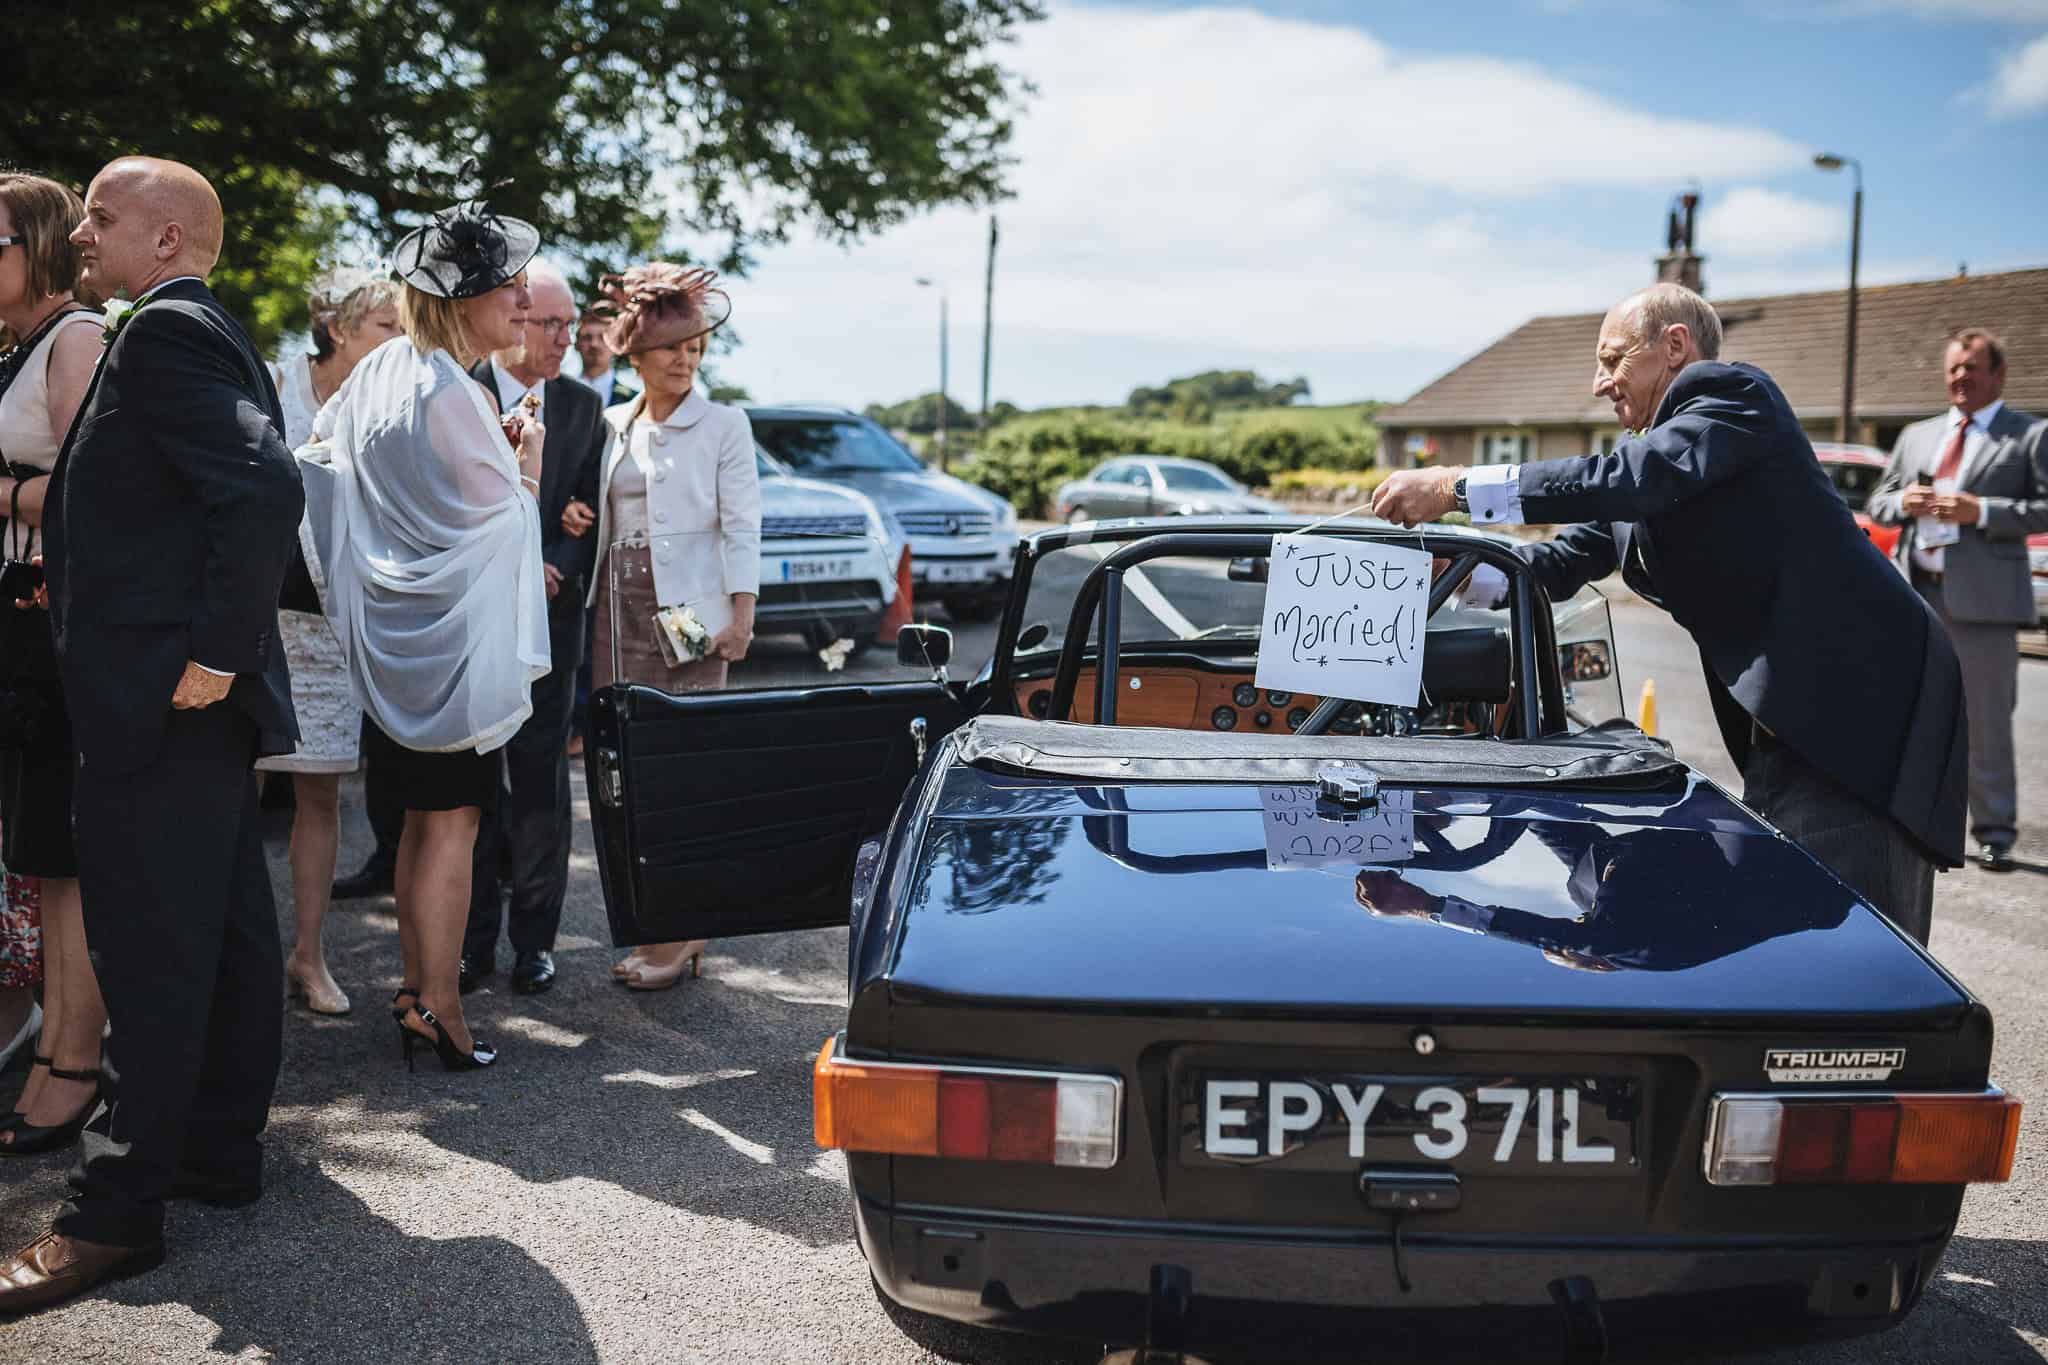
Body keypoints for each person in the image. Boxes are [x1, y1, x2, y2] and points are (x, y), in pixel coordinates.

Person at [1371, 282, 1966, 944]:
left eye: (1613, 359)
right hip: (1785, 724)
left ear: (1674, 347)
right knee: (1772, 915)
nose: (1599, 384)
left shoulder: (1732, 398)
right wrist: (1448, 572)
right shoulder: (1657, 461)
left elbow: (1632, 477)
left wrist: (1454, 487)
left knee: (1848, 935)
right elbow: (1557, 565)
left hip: (1862, 706)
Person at [0, 157, 306, 1315]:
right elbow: (173, 504)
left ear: (167, 240)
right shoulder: (201, 325)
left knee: (148, 951)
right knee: (224, 934)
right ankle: (217, 1157)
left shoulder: (164, 334)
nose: (82, 232)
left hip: (162, 703)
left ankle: (113, 1215)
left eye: (103, 216)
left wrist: (213, 655)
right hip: (179, 701)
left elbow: (265, 490)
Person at [298, 191, 548, 1073]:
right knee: (453, 827)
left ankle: (414, 985)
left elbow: (325, 464)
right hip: (448, 654)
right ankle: (439, 1004)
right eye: (508, 289)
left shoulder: (383, 372)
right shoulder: (451, 391)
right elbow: (502, 525)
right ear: (462, 299)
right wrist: (525, 462)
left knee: (414, 823)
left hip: (396, 648)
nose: (521, 302)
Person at [587, 263, 756, 990]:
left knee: (682, 775)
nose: (684, 359)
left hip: (690, 614)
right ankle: (658, 925)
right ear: (635, 354)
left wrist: (742, 613)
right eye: (669, 348)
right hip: (613, 614)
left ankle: (682, 933)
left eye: (694, 346)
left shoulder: (725, 423)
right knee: (628, 772)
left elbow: (744, 522)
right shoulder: (611, 422)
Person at [459, 261, 604, 996]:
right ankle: (472, 938)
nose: (564, 340)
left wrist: (555, 558)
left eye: (571, 325)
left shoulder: (581, 406)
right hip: (479, 621)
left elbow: (589, 510)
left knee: (544, 778)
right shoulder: (463, 390)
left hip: (553, 620)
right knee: (478, 783)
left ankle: (535, 941)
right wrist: (518, 559)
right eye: (550, 324)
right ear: (514, 320)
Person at [260, 267, 401, 1017]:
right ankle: (234, 954)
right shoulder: (268, 379)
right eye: (386, 326)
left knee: (321, 791)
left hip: (330, 619)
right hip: (255, 614)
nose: (400, 342)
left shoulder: (389, 401)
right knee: (239, 785)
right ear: (338, 328)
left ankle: (307, 955)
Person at [0, 173, 106, 1153]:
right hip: (18, 622)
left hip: (50, 623)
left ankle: (77, 1059)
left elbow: (92, 490)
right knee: (40, 854)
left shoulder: (74, 339)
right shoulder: (21, 348)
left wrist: (3, 491)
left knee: (64, 856)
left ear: (34, 244)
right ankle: (51, 1053)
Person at [1867, 330, 2048, 873]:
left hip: (1984, 604)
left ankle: (1994, 831)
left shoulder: (2030, 436)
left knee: (1986, 721)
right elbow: (1878, 502)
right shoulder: (1918, 435)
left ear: (1998, 375)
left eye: (1971, 368)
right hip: (1915, 593)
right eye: (1953, 369)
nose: (1960, 378)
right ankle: (1911, 816)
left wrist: (1983, 511)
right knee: (1911, 713)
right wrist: (1903, 500)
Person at [575, 310, 637, 408]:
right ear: (576, 345)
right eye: (587, 337)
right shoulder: (557, 394)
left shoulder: (632, 400)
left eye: (602, 338)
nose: (594, 344)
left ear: (614, 345)